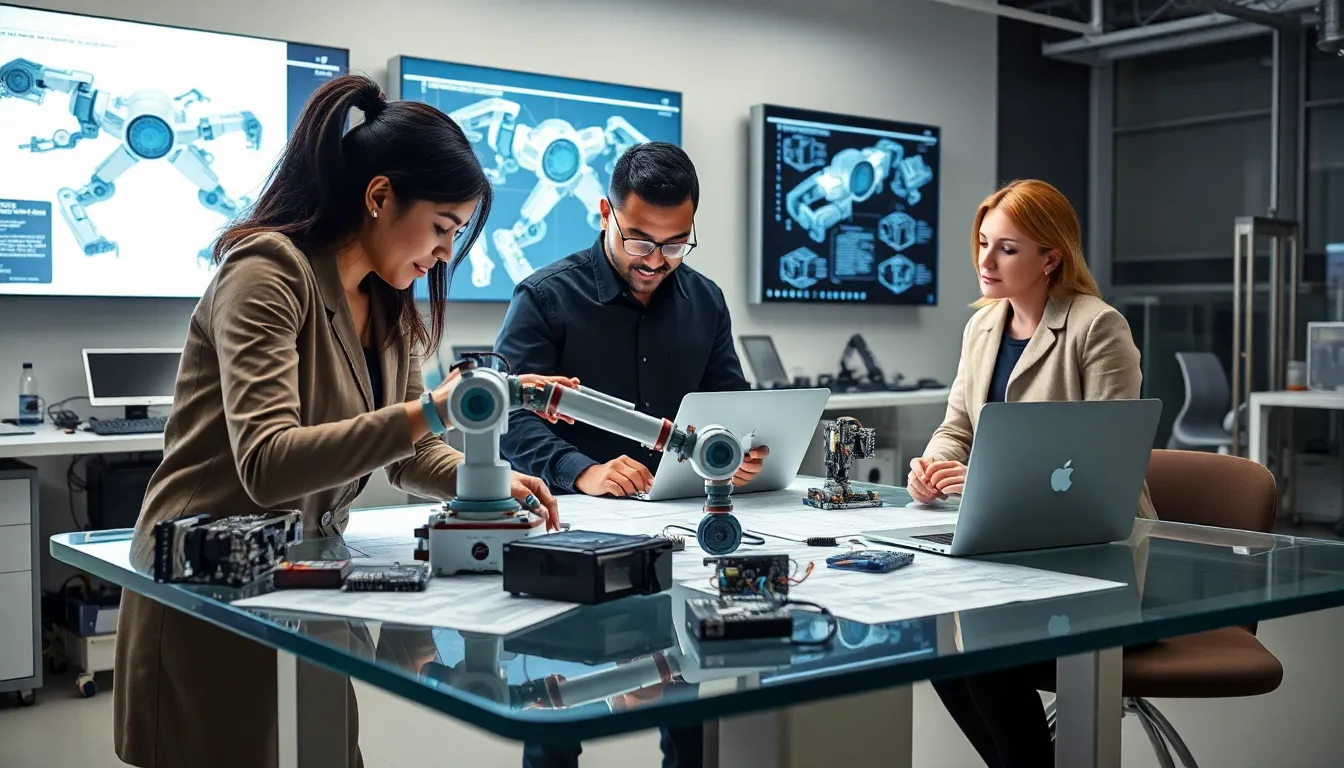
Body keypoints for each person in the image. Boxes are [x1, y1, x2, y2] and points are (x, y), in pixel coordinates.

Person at [113, 74, 573, 768]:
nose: (448, 252)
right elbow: (268, 464)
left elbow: (408, 452)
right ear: (381, 196)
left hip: (304, 579)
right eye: (443, 227)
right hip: (209, 583)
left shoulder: (386, 303)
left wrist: (485, 484)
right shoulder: (266, 271)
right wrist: (433, 408)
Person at [494, 142, 763, 768]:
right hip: (577, 537)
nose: (657, 262)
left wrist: (744, 449)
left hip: (682, 534)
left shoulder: (706, 300)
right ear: (604, 212)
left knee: (690, 714)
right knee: (560, 711)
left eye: (676, 245)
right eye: (641, 241)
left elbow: (731, 404)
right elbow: (508, 417)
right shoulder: (545, 297)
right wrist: (582, 471)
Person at [907, 179, 1155, 768]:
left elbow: (1109, 462)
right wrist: (935, 463)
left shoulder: (1098, 326)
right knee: (936, 640)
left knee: (984, 649)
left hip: (1097, 555)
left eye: (1007, 249)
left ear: (1051, 257)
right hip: (1010, 555)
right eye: (983, 243)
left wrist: (990, 480)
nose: (985, 261)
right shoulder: (982, 327)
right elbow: (958, 427)